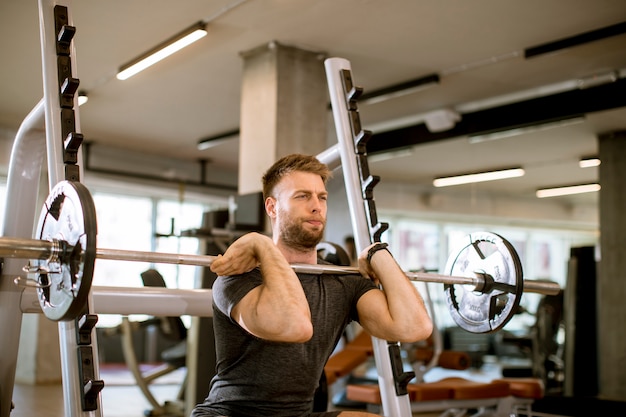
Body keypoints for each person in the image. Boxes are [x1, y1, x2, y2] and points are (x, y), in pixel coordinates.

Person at [192, 154, 433, 417]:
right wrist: (259, 243)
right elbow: (295, 326)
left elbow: (415, 327)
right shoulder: (238, 276)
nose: (317, 206)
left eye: (322, 197)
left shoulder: (342, 282)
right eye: (302, 196)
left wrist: (378, 253)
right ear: (272, 208)